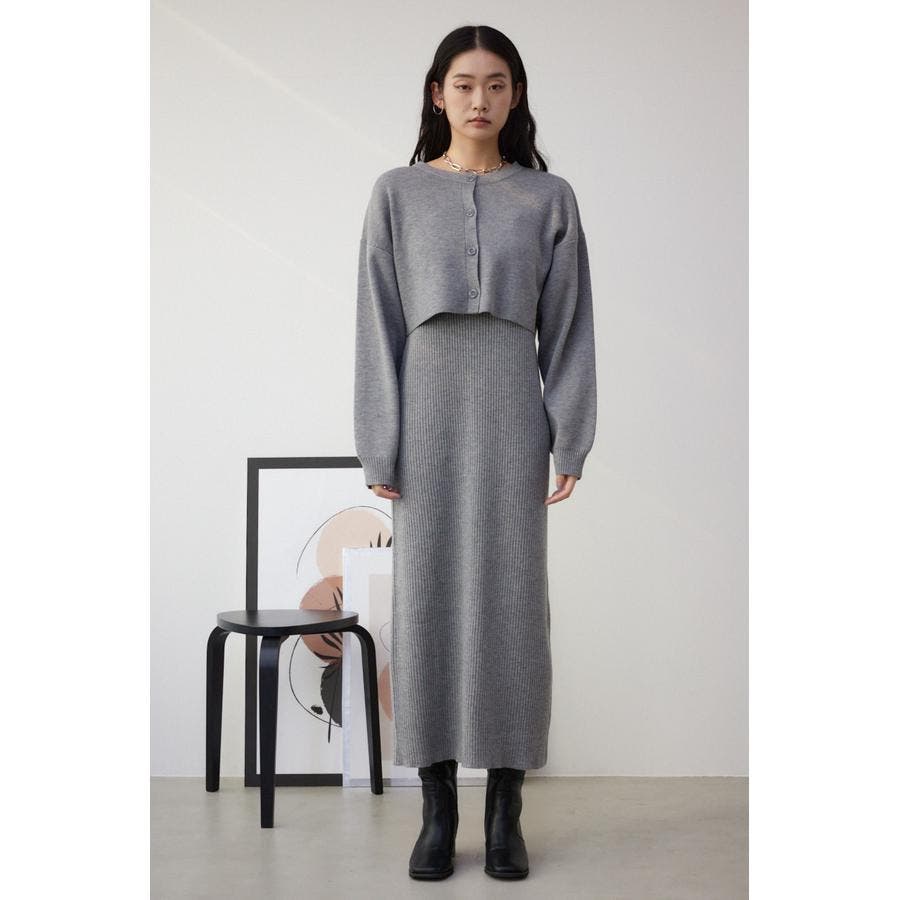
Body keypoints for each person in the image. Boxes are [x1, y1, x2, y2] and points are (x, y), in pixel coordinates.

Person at [353, 24, 597, 881]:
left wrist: (571, 433)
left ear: (515, 95)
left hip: (511, 409)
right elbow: (378, 323)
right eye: (463, 84)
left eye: (496, 84)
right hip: (426, 411)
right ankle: (436, 808)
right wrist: (379, 440)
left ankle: (505, 809)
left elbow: (570, 327)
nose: (480, 99)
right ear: (437, 93)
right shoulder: (396, 192)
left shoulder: (549, 197)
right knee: (424, 600)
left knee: (514, 603)